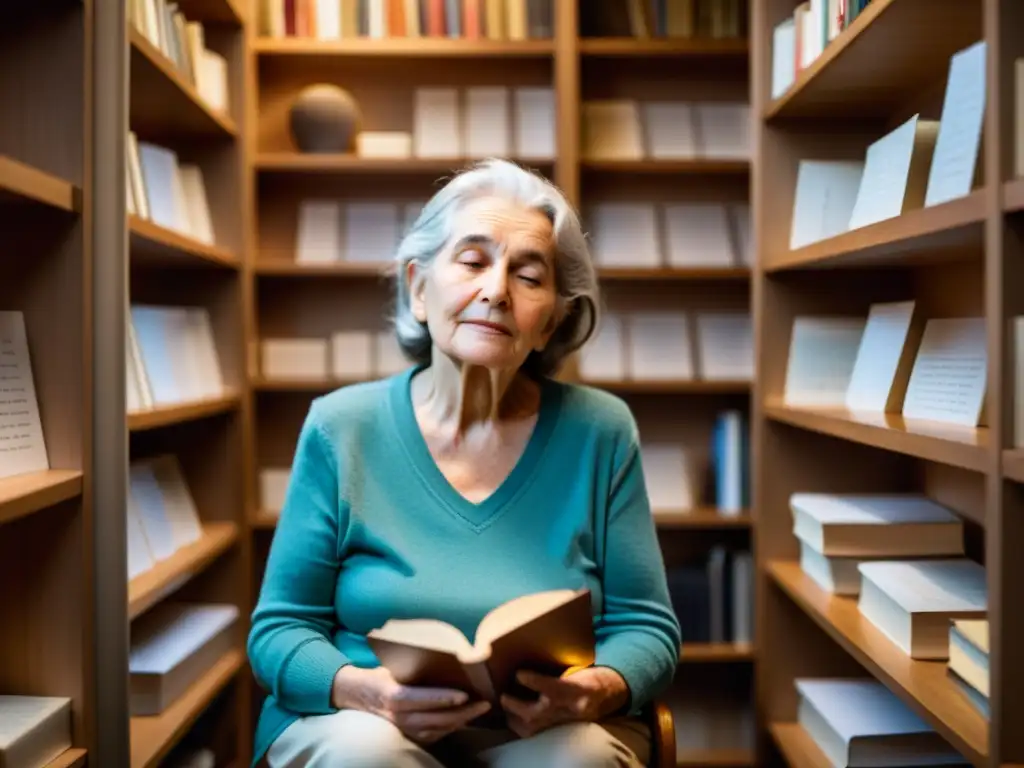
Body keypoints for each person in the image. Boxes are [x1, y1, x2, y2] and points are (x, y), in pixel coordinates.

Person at [248, 158, 682, 768]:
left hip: (550, 732)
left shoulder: (602, 430)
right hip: (367, 722)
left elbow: (649, 628)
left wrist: (599, 688)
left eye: (529, 276)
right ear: (419, 288)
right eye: (473, 262)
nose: (497, 290)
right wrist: (360, 689)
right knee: (363, 758)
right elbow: (279, 631)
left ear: (551, 320)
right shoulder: (339, 426)